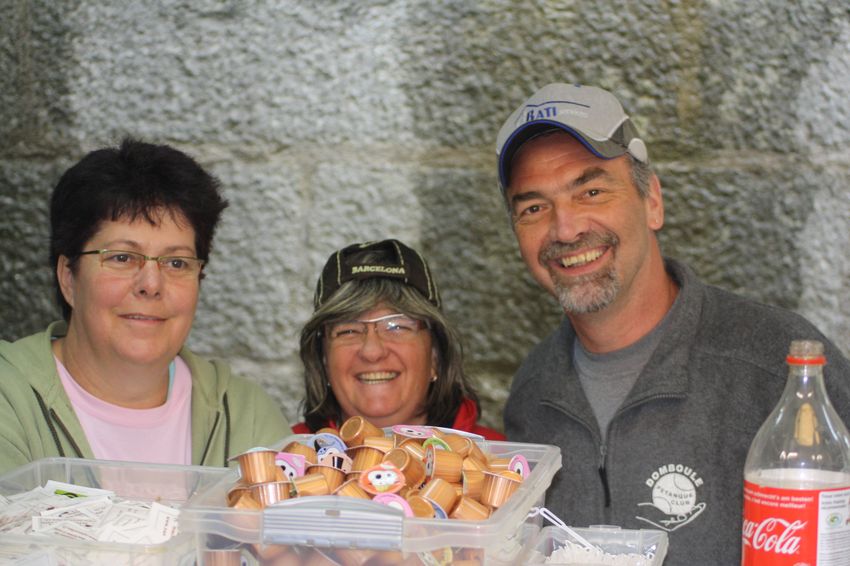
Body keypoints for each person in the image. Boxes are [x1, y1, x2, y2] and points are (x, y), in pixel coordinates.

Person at [495, 83, 850, 564]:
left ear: (653, 202)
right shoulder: (532, 392)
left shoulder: (780, 369)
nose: (566, 228)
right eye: (534, 208)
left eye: (592, 191)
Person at [0, 138, 289, 474]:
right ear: (68, 277)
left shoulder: (244, 416)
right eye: (122, 258)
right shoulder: (9, 397)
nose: (151, 284)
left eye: (177, 263)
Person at [293, 239, 504, 440]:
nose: (372, 351)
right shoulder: (282, 457)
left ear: (435, 356)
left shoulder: (499, 459)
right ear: (323, 360)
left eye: (397, 326)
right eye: (348, 330)